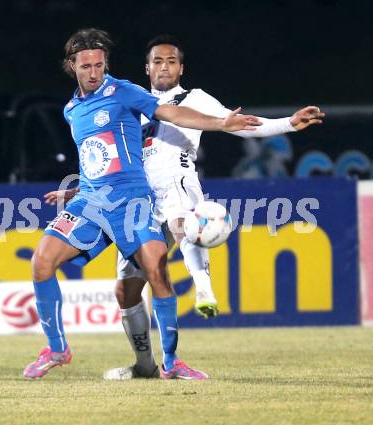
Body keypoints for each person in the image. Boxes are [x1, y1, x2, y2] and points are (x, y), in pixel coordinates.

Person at [23, 28, 261, 380]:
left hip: (131, 200)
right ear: (71, 65)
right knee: (41, 261)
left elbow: (172, 114)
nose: (93, 73)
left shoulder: (124, 91)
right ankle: (57, 349)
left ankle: (171, 361)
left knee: (157, 271)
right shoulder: (72, 109)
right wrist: (74, 192)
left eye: (99, 65)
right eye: (86, 66)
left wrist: (220, 123)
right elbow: (97, 157)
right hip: (90, 201)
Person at [99, 34, 324, 380]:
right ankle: (145, 365)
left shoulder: (195, 98)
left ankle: (201, 290)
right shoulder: (131, 102)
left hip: (178, 180)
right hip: (137, 196)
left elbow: (238, 123)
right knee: (127, 290)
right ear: (147, 67)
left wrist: (287, 124)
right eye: (158, 61)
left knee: (182, 223)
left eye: (171, 61)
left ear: (181, 67)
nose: (164, 66)